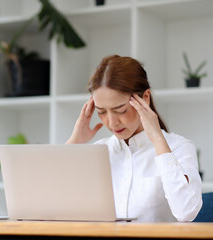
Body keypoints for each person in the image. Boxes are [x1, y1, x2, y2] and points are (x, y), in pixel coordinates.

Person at [66, 55, 202, 222]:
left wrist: (157, 139)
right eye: (101, 111)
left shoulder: (179, 147)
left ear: (145, 98)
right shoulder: (98, 152)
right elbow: (53, 208)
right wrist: (73, 143)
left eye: (120, 110)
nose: (111, 122)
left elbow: (186, 212)